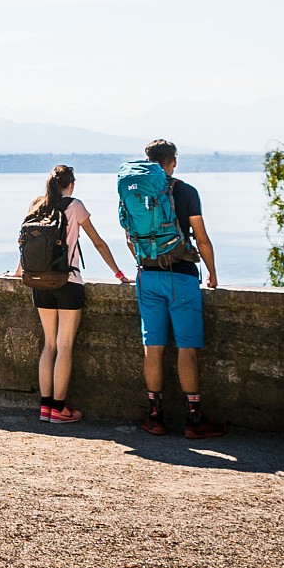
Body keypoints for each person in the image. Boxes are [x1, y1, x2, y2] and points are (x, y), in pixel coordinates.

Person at [11, 163, 128, 424]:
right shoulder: (75, 206)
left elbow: (26, 244)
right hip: (69, 282)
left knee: (49, 345)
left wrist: (20, 271)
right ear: (71, 185)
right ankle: (59, 409)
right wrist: (119, 274)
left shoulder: (36, 204)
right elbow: (98, 242)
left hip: (39, 283)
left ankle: (44, 408)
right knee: (64, 346)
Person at [125, 137, 224, 438]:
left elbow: (131, 238)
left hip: (148, 275)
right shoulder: (186, 191)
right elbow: (202, 238)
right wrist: (212, 272)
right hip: (181, 275)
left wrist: (146, 262)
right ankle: (194, 419)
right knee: (186, 348)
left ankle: (155, 416)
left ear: (147, 160)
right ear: (173, 161)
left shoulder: (135, 191)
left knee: (152, 347)